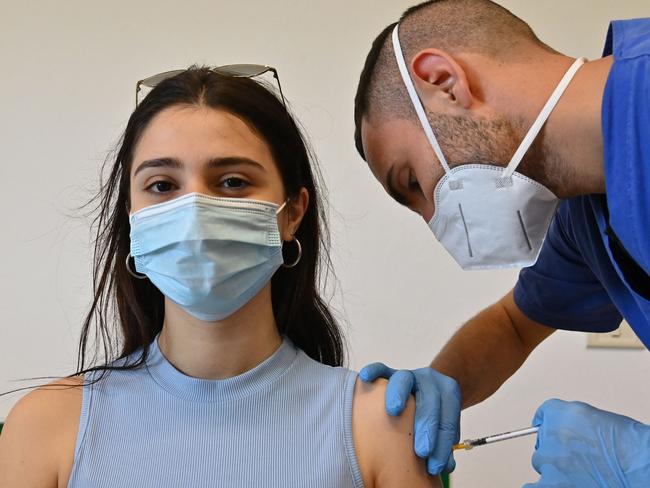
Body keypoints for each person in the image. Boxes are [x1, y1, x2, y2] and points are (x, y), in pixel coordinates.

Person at [0, 67, 440, 488]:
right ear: (133, 219)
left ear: (293, 213)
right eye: (161, 185)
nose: (194, 211)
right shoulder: (46, 428)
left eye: (231, 181)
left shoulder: (380, 425)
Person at [353, 0, 650, 486]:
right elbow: (513, 326)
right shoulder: (587, 214)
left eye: (411, 181)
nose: (434, 217)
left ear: (445, 82)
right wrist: (432, 393)